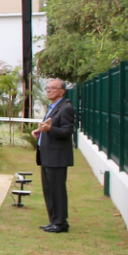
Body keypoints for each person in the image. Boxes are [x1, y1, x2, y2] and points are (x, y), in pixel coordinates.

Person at [33, 79, 75, 233]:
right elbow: (49, 128)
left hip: (57, 157)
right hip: (46, 155)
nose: (48, 90)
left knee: (57, 190)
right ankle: (53, 220)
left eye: (52, 88)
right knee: (48, 190)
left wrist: (49, 129)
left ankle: (61, 222)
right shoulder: (52, 107)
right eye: (47, 87)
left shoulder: (66, 109)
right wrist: (40, 132)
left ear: (61, 91)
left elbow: (67, 131)